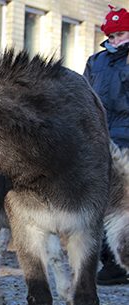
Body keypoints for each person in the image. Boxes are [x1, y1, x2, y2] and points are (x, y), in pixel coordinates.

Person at [83, 5, 129, 285]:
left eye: (120, 34)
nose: (114, 41)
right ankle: (109, 262)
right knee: (101, 201)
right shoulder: (96, 61)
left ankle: (121, 261)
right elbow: (85, 97)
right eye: (111, 36)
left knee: (124, 203)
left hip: (127, 139)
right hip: (100, 140)